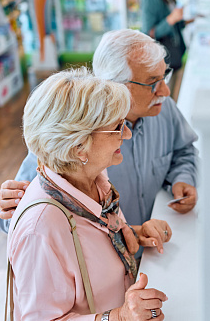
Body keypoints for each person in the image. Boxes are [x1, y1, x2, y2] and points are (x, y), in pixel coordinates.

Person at [0, 30, 198, 253]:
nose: (165, 91)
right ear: (116, 84)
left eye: (164, 77)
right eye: (152, 83)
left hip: (154, 253)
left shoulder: (163, 107)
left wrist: (182, 178)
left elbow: (184, 150)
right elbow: (14, 215)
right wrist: (9, 204)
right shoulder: (74, 136)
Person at [9, 68, 170, 320]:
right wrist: (120, 317)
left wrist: (134, 233)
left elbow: (89, 245)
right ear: (78, 147)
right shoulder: (40, 229)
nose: (126, 134)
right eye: (118, 127)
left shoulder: (95, 179)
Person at [140, 0, 190, 77]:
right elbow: (148, 33)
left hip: (175, 54)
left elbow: (173, 24)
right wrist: (171, 19)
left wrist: (188, 21)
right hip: (164, 58)